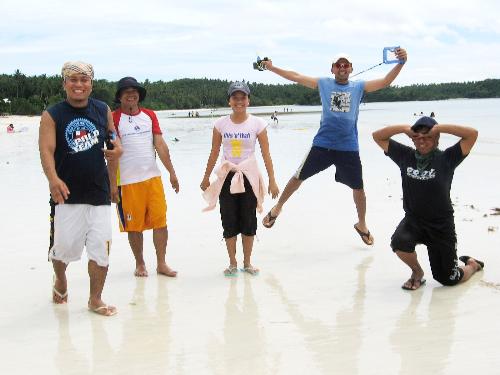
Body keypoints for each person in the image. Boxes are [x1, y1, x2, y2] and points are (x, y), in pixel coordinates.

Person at [261, 49, 408, 245]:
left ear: (351, 69)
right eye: (338, 65)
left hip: (348, 147)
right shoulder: (323, 83)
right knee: (298, 177)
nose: (342, 67)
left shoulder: (359, 87)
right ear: (332, 69)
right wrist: (271, 68)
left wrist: (401, 63)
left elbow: (385, 82)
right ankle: (278, 207)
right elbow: (295, 76)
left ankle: (362, 224)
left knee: (359, 189)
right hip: (323, 144)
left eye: (346, 65)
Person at [39, 61, 123, 316]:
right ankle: (61, 279)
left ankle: (95, 299)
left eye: (84, 80)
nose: (79, 84)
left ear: (91, 83)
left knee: (101, 248)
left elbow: (112, 141)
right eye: (73, 80)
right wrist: (53, 179)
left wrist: (114, 177)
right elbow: (46, 150)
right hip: (66, 194)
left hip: (98, 191)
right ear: (64, 83)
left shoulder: (102, 109)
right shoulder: (52, 114)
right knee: (63, 249)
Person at [372, 116, 483, 290]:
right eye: (417, 136)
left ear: (437, 138)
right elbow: (378, 136)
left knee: (448, 279)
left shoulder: (447, 158)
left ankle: (472, 265)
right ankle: (417, 272)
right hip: (414, 220)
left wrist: (439, 128)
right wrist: (404, 128)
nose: (422, 140)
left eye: (428, 136)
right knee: (399, 242)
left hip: (441, 225)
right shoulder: (404, 155)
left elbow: (472, 135)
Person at [200, 81, 279, 276]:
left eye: (242, 97)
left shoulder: (258, 124)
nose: (239, 101)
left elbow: (266, 154)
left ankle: (247, 263)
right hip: (227, 176)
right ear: (229, 101)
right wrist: (206, 177)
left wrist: (272, 180)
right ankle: (233, 263)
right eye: (235, 97)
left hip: (249, 176)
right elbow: (214, 152)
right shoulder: (220, 124)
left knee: (248, 219)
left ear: (248, 100)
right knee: (229, 219)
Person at [112, 77, 179, 277]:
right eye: (126, 92)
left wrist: (172, 173)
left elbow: (160, 145)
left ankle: (161, 263)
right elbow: (111, 153)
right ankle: (140, 263)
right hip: (127, 182)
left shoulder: (149, 115)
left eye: (135, 91)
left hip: (153, 178)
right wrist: (111, 186)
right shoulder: (113, 118)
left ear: (139, 95)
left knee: (161, 222)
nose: (131, 94)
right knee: (134, 226)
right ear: (120, 97)